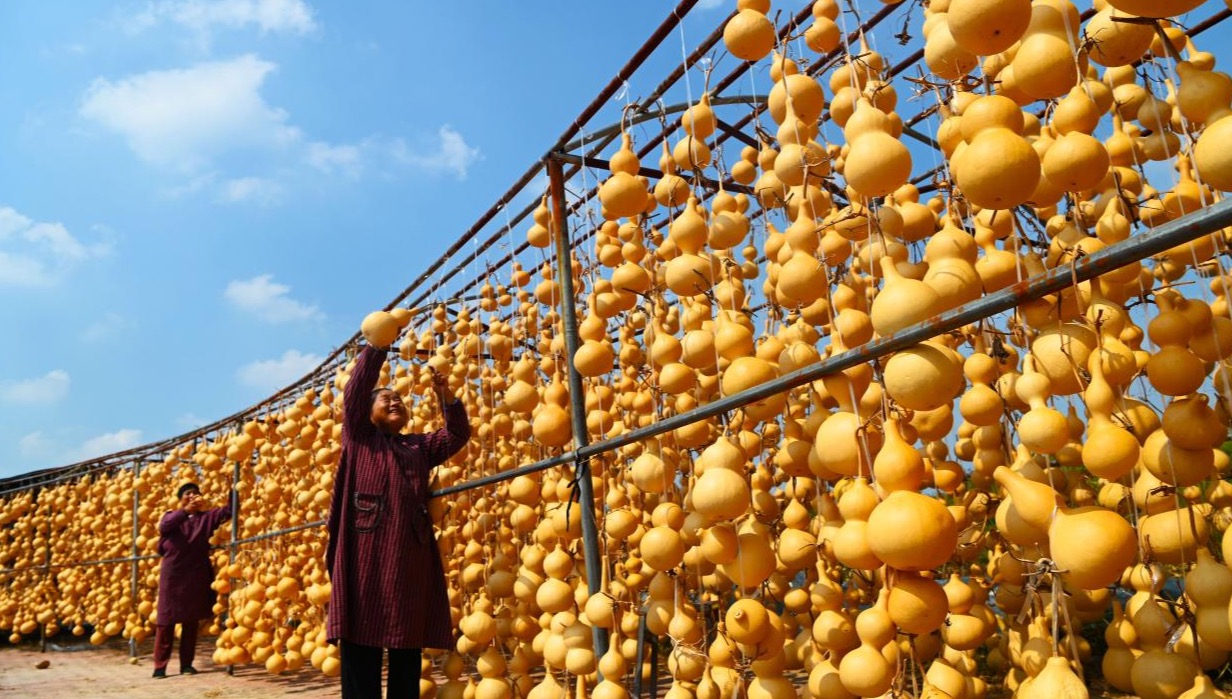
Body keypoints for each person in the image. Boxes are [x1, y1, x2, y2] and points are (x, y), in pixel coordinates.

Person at [326, 341, 470, 699]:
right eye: (385, 399)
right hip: (364, 557)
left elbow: (457, 435)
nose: (395, 402)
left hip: (408, 558)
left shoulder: (418, 448)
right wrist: (377, 347)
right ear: (368, 412)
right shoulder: (359, 439)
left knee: (406, 647)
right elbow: (355, 394)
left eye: (400, 400)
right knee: (360, 644)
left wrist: (446, 395)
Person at [153, 481, 231, 678]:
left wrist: (234, 484)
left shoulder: (206, 517)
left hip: (195, 574)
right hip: (172, 575)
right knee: (165, 621)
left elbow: (228, 511)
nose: (193, 496)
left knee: (190, 621)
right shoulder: (172, 516)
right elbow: (164, 526)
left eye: (196, 493)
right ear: (180, 499)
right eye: (188, 493)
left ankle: (186, 665)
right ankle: (159, 666)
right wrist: (185, 510)